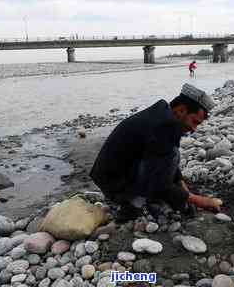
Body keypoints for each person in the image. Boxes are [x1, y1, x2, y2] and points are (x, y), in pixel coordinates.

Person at [90, 84, 223, 222]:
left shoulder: (163, 115)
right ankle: (133, 205)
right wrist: (201, 201)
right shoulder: (161, 127)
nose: (194, 128)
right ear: (181, 110)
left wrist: (186, 193)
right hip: (113, 184)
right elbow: (161, 182)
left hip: (114, 174)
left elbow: (166, 165)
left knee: (173, 154)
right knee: (171, 156)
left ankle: (144, 196)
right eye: (194, 121)